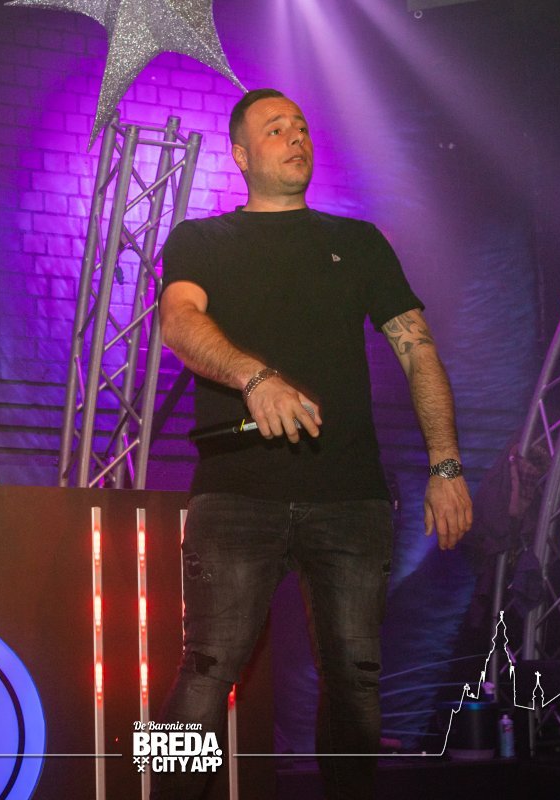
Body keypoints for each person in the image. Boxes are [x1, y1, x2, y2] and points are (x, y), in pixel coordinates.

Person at [154, 88, 472, 799]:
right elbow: (177, 321)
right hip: (236, 491)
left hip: (349, 495)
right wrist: (256, 378)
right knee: (203, 669)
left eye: (301, 126)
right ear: (241, 155)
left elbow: (418, 349)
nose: (295, 137)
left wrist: (446, 465)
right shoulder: (201, 240)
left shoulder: (359, 241)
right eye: (275, 129)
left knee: (357, 678)